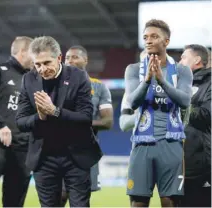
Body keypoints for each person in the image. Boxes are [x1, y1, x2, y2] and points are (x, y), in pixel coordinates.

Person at [15, 36, 102, 207]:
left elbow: (85, 117)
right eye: (37, 64)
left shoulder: (79, 77)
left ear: (59, 58)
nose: (42, 69)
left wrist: (54, 111)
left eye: (47, 63)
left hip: (75, 155)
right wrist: (40, 116)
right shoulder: (28, 80)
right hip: (44, 157)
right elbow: (21, 121)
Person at [124, 19, 193, 207]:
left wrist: (162, 80)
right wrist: (147, 80)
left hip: (171, 143)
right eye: (145, 37)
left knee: (169, 202)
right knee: (138, 202)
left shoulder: (181, 70)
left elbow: (185, 101)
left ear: (166, 42)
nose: (148, 40)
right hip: (142, 144)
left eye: (154, 36)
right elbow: (133, 102)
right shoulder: (133, 70)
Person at [61, 45, 113, 205]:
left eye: (75, 57)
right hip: (59, 150)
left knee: (81, 200)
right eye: (67, 57)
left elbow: (107, 121)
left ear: (85, 60)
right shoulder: (55, 85)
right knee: (59, 197)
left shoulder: (98, 87)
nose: (70, 61)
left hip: (86, 150)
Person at [0, 36, 33, 207]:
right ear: (23, 52)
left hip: (22, 148)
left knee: (14, 203)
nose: (35, 58)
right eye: (33, 53)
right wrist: (0, 125)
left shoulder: (34, 78)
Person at [179, 44, 211, 207]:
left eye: (184, 57)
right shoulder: (180, 84)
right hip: (180, 162)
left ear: (197, 60)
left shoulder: (209, 83)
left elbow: (207, 115)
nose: (180, 61)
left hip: (202, 164)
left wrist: (180, 104)